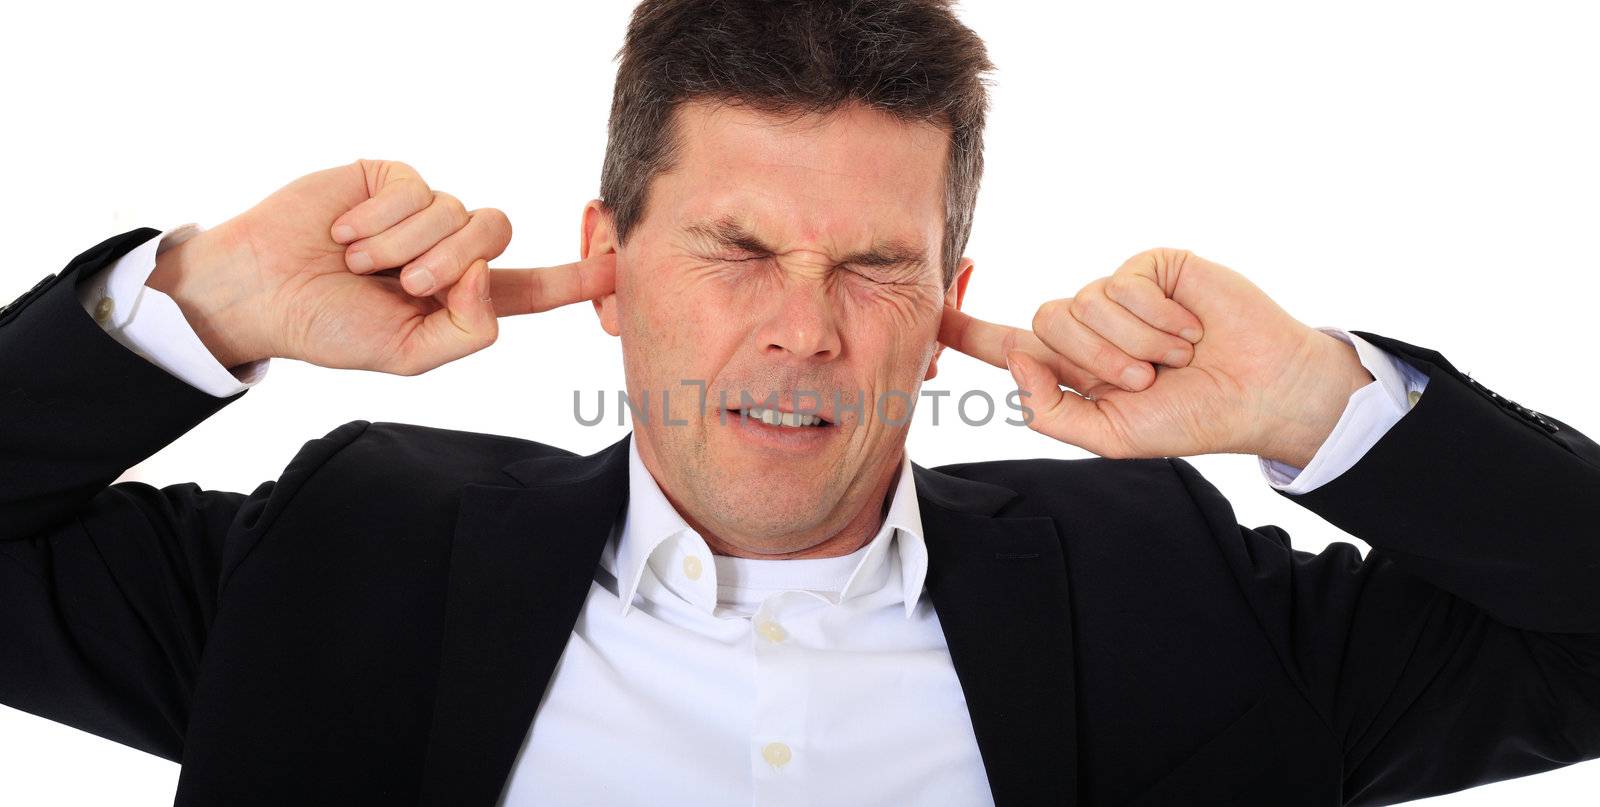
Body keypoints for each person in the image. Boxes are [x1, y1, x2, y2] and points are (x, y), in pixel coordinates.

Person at [2, 1, 1597, 804]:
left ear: (953, 289)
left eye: (876, 265)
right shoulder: (351, 547)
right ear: (608, 262)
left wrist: (1315, 401)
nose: (805, 331)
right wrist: (191, 309)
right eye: (740, 248)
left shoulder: (1166, 579)